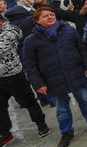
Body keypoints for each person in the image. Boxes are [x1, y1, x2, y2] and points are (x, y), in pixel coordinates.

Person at [22, 7, 87, 147]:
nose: (50, 17)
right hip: (52, 79)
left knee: (85, 100)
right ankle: (66, 132)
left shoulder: (69, 31)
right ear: (37, 21)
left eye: (52, 14)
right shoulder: (30, 40)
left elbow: (82, 48)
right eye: (45, 16)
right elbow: (29, 65)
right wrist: (38, 84)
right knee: (61, 108)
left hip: (75, 73)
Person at [0, 16, 50, 145]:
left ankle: (41, 124)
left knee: (28, 101)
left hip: (14, 76)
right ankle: (5, 133)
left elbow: (2, 48)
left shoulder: (10, 31)